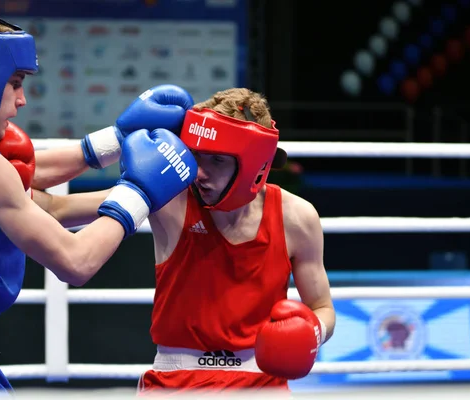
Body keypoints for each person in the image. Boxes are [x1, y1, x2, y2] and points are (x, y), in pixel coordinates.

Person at [0, 11, 196, 394]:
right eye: (14, 83)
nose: (22, 99)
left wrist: (121, 141)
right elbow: (77, 262)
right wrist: (139, 192)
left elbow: (47, 206)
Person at [136, 88, 336, 393]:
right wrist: (104, 145)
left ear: (254, 164)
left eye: (217, 160)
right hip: (178, 381)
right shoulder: (171, 201)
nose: (199, 173)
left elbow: (322, 306)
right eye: (196, 156)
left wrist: (312, 332)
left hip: (263, 382)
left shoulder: (296, 217)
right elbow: (65, 209)